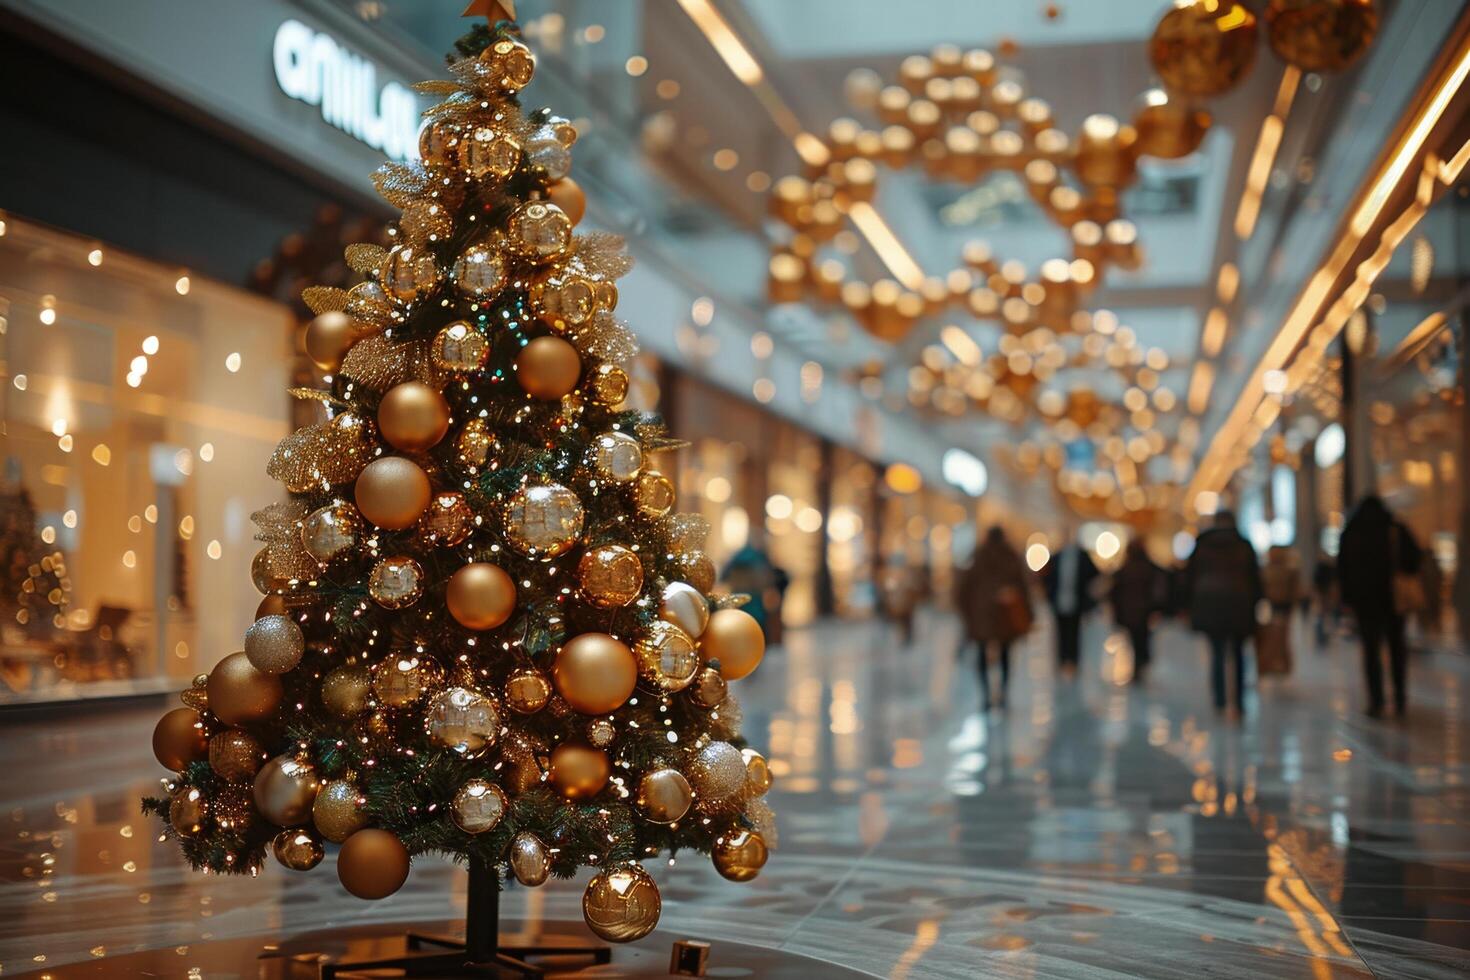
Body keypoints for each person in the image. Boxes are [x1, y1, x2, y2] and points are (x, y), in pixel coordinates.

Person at [1338, 495, 1422, 718]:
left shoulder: (1351, 532)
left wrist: (1347, 601)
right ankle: (1400, 698)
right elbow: (1414, 558)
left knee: (1371, 651)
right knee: (1397, 648)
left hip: (1365, 602)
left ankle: (1376, 701)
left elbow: (1342, 570)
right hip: (1393, 600)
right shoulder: (1394, 527)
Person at [1184, 511, 1262, 716]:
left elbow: (1189, 577)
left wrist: (1188, 605)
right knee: (1238, 654)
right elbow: (1255, 577)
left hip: (1210, 605)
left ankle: (1219, 700)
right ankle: (1238, 701)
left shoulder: (1203, 544)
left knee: (1217, 654)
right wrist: (1256, 601)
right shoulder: (1243, 545)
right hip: (1239, 604)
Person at [954, 527, 1033, 710]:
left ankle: (987, 695)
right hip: (1004, 617)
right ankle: (1002, 693)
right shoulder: (1010, 556)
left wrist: (968, 614)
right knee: (1004, 655)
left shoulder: (978, 556)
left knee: (983, 656)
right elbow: (1023, 587)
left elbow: (963, 589)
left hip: (983, 617)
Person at [1109, 540, 1166, 684]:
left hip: (1130, 612)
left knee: (1136, 641)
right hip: (1144, 611)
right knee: (1142, 639)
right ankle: (1141, 664)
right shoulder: (1148, 567)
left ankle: (1139, 666)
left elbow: (1115, 591)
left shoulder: (1125, 568)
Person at [1044, 532, 1100, 677]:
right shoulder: (1056, 557)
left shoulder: (1082, 557)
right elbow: (1046, 577)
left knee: (1074, 632)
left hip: (1077, 602)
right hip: (1059, 602)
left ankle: (1073, 661)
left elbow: (1095, 575)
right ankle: (1062, 660)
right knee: (1061, 632)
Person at [1258, 545, 1301, 678]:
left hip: (1284, 607)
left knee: (1282, 636)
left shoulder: (1290, 570)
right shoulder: (1265, 570)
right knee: (1269, 637)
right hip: (1270, 606)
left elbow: (1295, 590)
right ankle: (1269, 664)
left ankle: (1282, 665)